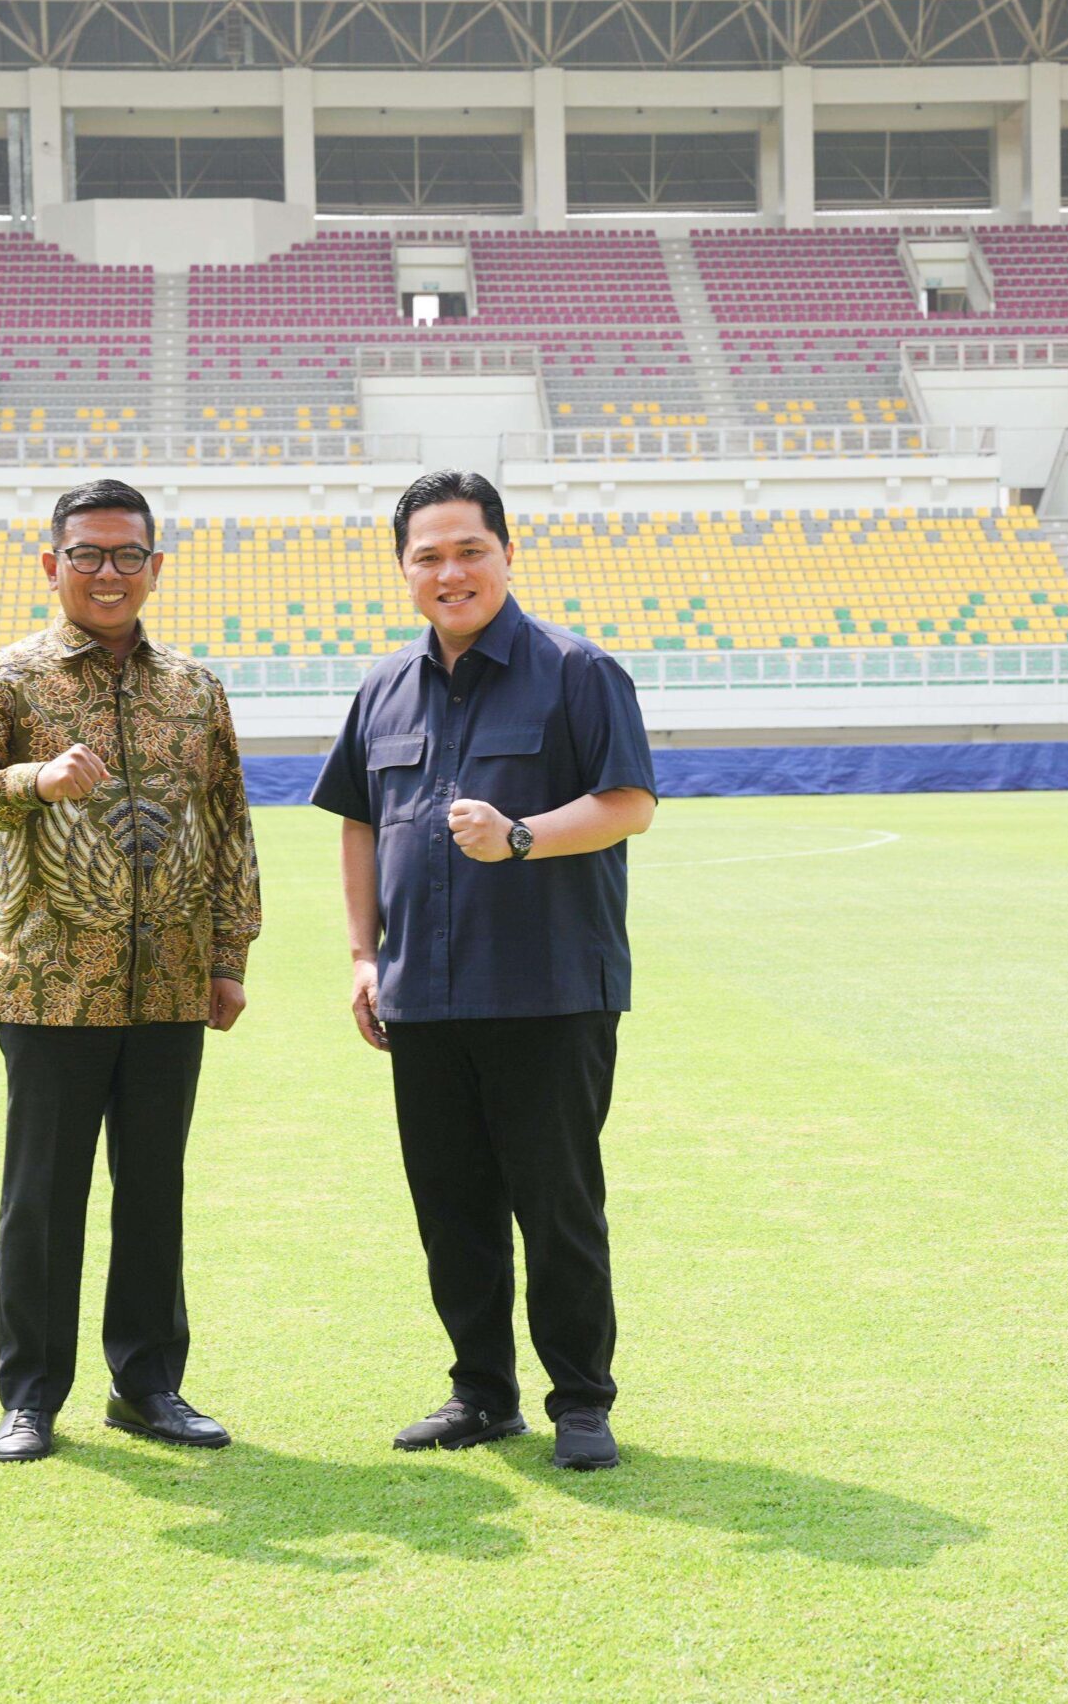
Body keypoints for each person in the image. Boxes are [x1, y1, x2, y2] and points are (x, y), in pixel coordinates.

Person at [309, 470, 657, 1472]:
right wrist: (364, 957)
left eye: (469, 550)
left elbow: (628, 802)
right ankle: (481, 1394)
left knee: (555, 1205)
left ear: (507, 552)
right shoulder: (381, 688)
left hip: (548, 990)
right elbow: (361, 828)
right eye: (428, 556)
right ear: (403, 570)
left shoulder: (576, 670)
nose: (450, 571)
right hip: (422, 996)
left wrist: (520, 837)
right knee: (450, 1206)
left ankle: (581, 1402)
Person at [0, 478, 261, 1464]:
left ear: (156, 567)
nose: (107, 573)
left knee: (153, 1192)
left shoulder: (194, 688)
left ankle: (149, 1386)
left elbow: (230, 823)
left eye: (126, 555)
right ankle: (29, 1397)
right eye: (87, 554)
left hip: (171, 988)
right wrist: (35, 778)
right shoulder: (9, 681)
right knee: (44, 1196)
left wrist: (229, 957)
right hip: (49, 985)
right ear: (51, 564)